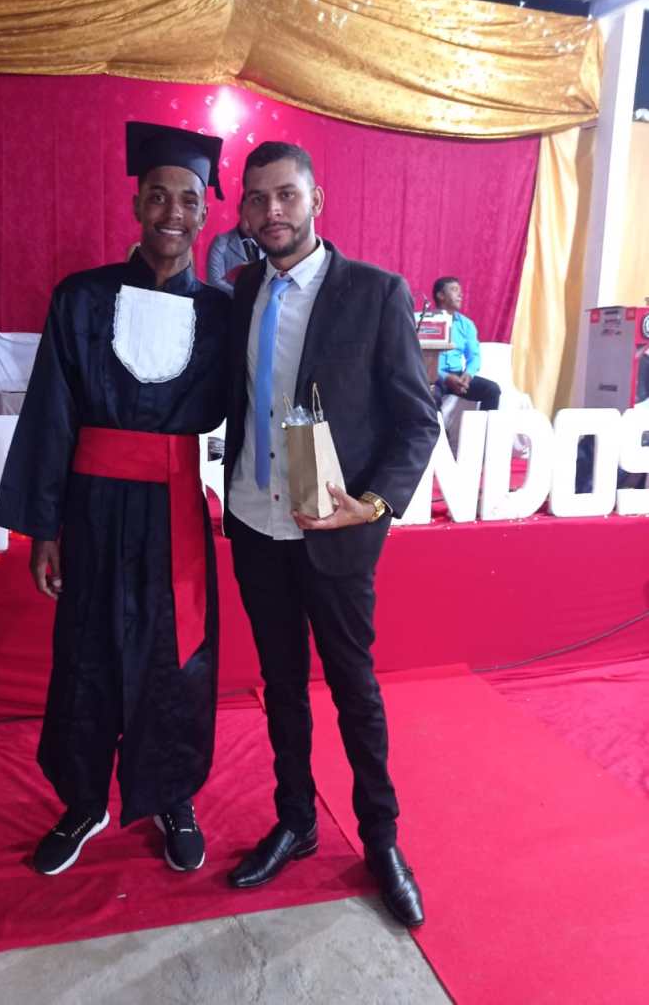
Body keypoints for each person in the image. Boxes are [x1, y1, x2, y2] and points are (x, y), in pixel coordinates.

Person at [0, 122, 230, 877]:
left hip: (174, 508)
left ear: (205, 213)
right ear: (135, 204)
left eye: (187, 199)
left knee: (175, 654)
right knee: (87, 649)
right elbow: (51, 414)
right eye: (157, 195)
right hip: (92, 505)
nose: (171, 212)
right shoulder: (82, 298)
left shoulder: (223, 314)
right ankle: (84, 799)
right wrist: (44, 527)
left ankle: (171, 793)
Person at [223, 142, 440, 928]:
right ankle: (296, 819)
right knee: (280, 683)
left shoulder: (376, 293)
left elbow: (417, 420)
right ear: (244, 213)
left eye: (286, 194)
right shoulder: (242, 289)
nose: (271, 211)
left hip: (337, 532)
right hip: (255, 519)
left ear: (316, 200)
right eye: (257, 199)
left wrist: (374, 504)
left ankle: (381, 838)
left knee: (353, 686)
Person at [431, 276, 500, 412]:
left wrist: (468, 375)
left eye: (460, 291)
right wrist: (445, 377)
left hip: (459, 376)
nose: (460, 295)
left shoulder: (467, 324)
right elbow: (417, 358)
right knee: (431, 395)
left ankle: (482, 426)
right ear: (441, 295)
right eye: (454, 290)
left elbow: (474, 356)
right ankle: (438, 426)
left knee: (492, 390)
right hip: (433, 376)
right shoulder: (424, 321)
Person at [206, 200, 263, 297]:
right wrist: (241, 294)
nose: (252, 224)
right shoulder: (221, 242)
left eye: (256, 219)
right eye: (248, 218)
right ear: (240, 209)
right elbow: (214, 281)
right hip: (229, 302)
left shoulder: (266, 244)